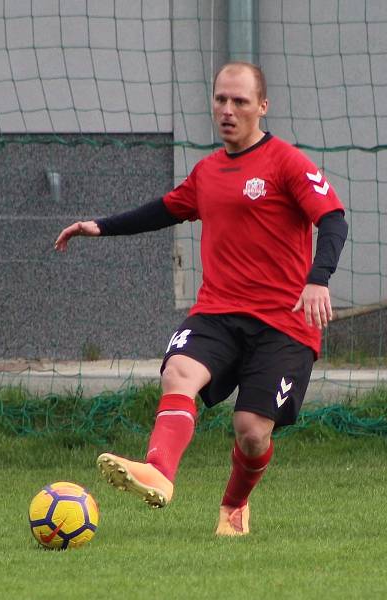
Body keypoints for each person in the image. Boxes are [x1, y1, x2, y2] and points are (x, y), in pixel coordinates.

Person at [54, 61, 348, 536]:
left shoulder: (287, 163)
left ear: (262, 107)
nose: (227, 110)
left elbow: (333, 218)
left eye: (239, 101)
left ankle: (234, 506)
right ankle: (159, 473)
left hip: (284, 324)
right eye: (220, 100)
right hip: (217, 313)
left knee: (252, 433)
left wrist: (319, 278)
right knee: (179, 372)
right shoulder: (207, 172)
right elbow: (165, 209)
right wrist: (100, 226)